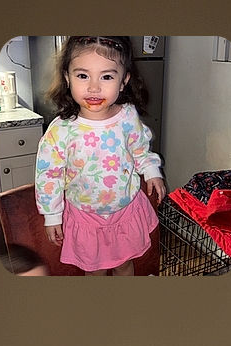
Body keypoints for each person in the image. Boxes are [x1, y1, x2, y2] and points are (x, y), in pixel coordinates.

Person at [34, 36, 166, 276]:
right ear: (67, 77)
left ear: (123, 81)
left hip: (124, 211)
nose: (94, 87)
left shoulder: (127, 116)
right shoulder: (61, 130)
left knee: (124, 265)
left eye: (106, 76)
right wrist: (51, 215)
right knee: (94, 271)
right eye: (83, 76)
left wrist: (151, 170)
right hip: (86, 218)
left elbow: (140, 147)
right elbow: (49, 176)